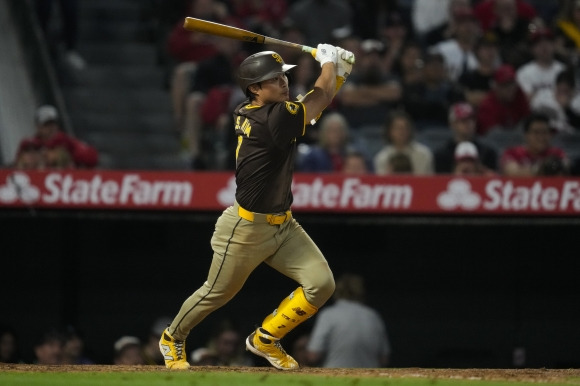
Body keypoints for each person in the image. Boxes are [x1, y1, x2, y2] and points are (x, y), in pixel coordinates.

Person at [158, 44, 353, 371]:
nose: (283, 82)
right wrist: (331, 64)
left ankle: (264, 339)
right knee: (216, 293)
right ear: (254, 89)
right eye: (273, 80)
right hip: (245, 230)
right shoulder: (272, 118)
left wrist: (337, 72)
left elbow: (315, 105)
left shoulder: (256, 109)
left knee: (321, 283)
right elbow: (318, 97)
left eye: (282, 76)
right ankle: (172, 338)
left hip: (283, 225)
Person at [306, 273, 391, 368]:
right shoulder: (373, 316)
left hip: (335, 378)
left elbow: (313, 356)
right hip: (369, 378)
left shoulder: (328, 315)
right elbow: (384, 359)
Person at [15, 105, 98, 169]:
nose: (51, 128)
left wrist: (69, 155)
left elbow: (92, 157)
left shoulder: (66, 141)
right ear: (38, 126)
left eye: (53, 123)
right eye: (46, 124)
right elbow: (17, 164)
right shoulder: (30, 144)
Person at [435, 102, 498, 173]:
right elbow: (439, 181)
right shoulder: (442, 155)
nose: (469, 124)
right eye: (463, 120)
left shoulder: (487, 152)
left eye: (471, 120)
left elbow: (493, 179)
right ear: (452, 124)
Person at [500, 112, 569, 176]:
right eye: (536, 132)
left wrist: (557, 165)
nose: (541, 137)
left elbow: (566, 166)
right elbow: (511, 172)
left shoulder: (557, 153)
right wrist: (540, 169)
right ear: (526, 135)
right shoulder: (512, 153)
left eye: (545, 132)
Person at [298, 112, 368, 173]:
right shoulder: (313, 156)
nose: (335, 134)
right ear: (323, 133)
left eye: (338, 130)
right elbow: (306, 177)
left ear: (344, 133)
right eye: (331, 130)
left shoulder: (353, 154)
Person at [516, 28, 566, 106]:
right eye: (538, 44)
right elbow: (525, 100)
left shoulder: (563, 70)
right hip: (534, 115)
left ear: (554, 45)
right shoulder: (524, 72)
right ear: (532, 49)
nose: (544, 47)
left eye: (547, 43)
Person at [374, 110, 434, 175]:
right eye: (397, 128)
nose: (402, 132)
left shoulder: (424, 154)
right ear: (389, 131)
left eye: (405, 128)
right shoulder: (381, 158)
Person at [476, 64, 530, 135]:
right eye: (505, 85)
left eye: (512, 84)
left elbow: (528, 120)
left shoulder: (518, 94)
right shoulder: (488, 105)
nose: (510, 89)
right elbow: (492, 134)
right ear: (496, 87)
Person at [190, 320, 254, 367]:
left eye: (235, 344)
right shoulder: (201, 355)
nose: (231, 348)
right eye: (226, 343)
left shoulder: (245, 361)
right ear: (216, 340)